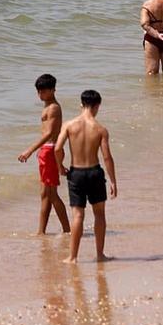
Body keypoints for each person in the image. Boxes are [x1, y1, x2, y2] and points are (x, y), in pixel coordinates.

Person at [54, 90, 117, 263]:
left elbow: (57, 148)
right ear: (98, 106)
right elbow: (107, 157)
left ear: (81, 104)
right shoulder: (101, 129)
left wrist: (60, 167)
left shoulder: (68, 125)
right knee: (99, 214)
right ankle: (100, 255)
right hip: (94, 173)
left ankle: (72, 257)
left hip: (76, 173)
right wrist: (113, 181)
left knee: (77, 216)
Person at [16, 74, 73, 236]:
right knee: (44, 193)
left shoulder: (54, 107)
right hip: (46, 151)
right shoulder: (48, 106)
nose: (40, 94)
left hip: (50, 150)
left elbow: (49, 133)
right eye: (38, 91)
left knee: (52, 194)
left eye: (43, 91)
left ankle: (68, 231)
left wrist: (30, 150)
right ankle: (41, 232)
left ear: (53, 90)